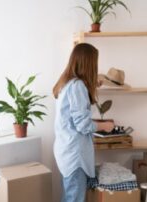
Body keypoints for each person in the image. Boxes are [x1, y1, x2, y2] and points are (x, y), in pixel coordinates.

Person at [52, 43, 115, 202]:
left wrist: (92, 84)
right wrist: (104, 126)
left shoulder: (66, 84)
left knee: (69, 196)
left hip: (65, 150)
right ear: (89, 63)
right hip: (75, 155)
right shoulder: (77, 86)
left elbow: (75, 118)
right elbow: (83, 124)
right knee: (74, 198)